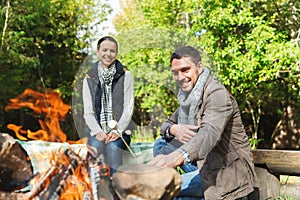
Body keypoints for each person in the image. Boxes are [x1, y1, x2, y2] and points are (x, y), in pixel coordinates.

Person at [148, 46, 259, 199]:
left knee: (163, 187)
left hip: (225, 171)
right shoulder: (189, 97)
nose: (180, 77)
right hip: (201, 162)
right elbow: (165, 125)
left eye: (185, 70)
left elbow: (208, 135)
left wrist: (174, 158)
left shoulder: (217, 94)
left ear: (199, 67)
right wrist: (175, 129)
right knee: (161, 144)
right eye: (175, 72)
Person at [82, 36, 135, 175]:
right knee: (94, 148)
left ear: (116, 53)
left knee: (113, 148)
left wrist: (117, 131)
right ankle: (94, 189)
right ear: (98, 52)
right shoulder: (89, 78)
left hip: (120, 131)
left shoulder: (126, 75)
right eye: (104, 50)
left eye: (112, 51)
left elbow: (128, 108)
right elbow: (88, 111)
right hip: (96, 131)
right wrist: (97, 131)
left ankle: (116, 188)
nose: (108, 54)